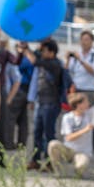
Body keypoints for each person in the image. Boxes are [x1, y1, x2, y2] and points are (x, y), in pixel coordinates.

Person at [26, 39, 64, 170]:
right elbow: (36, 57)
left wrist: (26, 49)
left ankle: (50, 162)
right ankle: (35, 160)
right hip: (40, 102)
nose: (41, 53)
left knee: (49, 134)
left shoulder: (54, 64)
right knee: (37, 133)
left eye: (44, 51)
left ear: (52, 52)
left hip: (51, 104)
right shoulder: (45, 63)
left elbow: (35, 60)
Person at [66, 29, 94, 150]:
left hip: (89, 91)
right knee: (76, 117)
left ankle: (93, 143)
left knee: (90, 117)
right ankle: (77, 142)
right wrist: (68, 59)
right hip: (77, 90)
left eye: (87, 40)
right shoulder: (77, 55)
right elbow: (68, 71)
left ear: (92, 42)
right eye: (82, 40)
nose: (84, 42)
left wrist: (81, 61)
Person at [47, 93, 94, 177]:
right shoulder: (67, 117)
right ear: (78, 104)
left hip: (82, 152)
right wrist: (85, 130)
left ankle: (77, 171)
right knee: (53, 144)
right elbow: (69, 137)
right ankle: (58, 171)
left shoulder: (89, 115)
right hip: (69, 150)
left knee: (81, 166)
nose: (88, 104)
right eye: (86, 102)